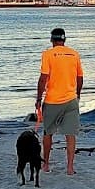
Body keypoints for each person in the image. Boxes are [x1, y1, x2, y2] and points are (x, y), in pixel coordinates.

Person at [34, 27, 83, 175]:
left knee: (48, 133)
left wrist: (38, 98)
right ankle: (70, 168)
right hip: (71, 100)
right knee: (70, 134)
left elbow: (43, 79)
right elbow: (80, 78)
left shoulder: (47, 54)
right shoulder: (74, 54)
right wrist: (77, 94)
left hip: (52, 100)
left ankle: (46, 164)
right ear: (64, 39)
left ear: (51, 40)